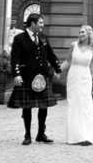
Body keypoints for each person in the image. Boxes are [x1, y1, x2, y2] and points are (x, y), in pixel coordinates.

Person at [7, 13, 62, 144]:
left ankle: (41, 134)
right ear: (33, 23)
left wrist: (58, 69)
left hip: (42, 76)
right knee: (27, 107)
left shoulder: (43, 37)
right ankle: (27, 135)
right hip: (27, 76)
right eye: (41, 22)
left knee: (44, 106)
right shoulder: (19, 39)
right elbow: (15, 59)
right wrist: (17, 74)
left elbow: (50, 54)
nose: (43, 25)